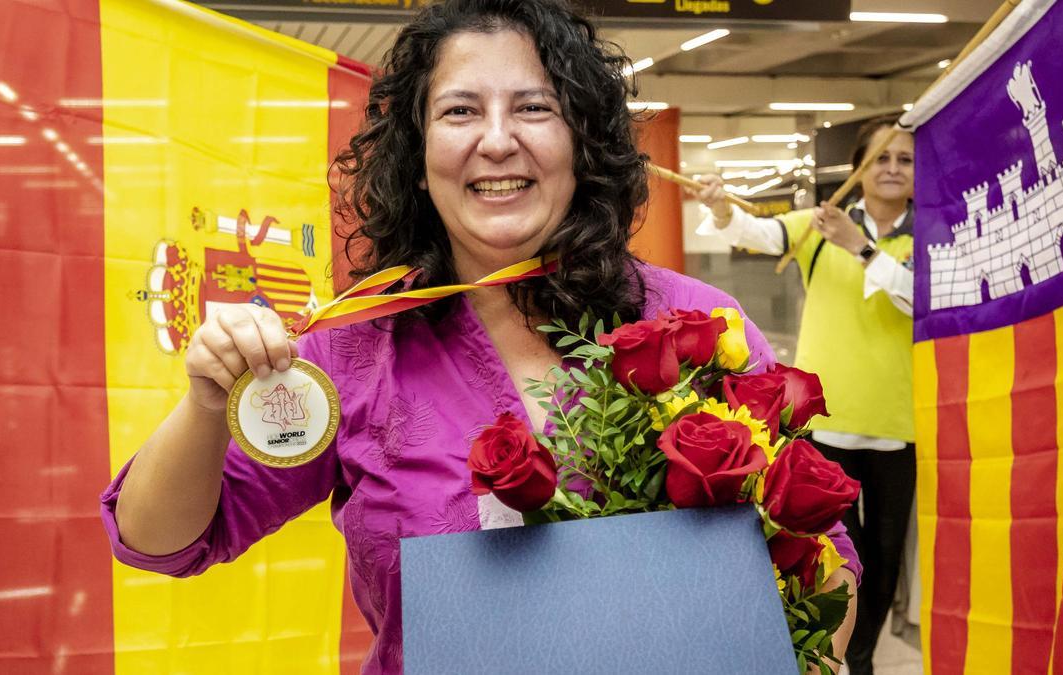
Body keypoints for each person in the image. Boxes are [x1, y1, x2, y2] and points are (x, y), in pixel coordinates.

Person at [100, 1, 860, 672]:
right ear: (418, 156)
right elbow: (161, 539)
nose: (497, 142)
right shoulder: (354, 347)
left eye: (534, 108)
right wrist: (206, 401)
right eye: (460, 111)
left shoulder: (698, 332)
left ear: (583, 141)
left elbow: (823, 566)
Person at [691, 116, 915, 675]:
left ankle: (859, 655)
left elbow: (924, 300)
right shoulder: (820, 224)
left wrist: (862, 249)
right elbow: (756, 233)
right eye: (879, 158)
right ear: (858, 169)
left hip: (899, 422)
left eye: (904, 159)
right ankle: (849, 660)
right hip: (822, 422)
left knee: (888, 562)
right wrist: (721, 208)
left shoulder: (930, 236)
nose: (891, 169)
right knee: (843, 555)